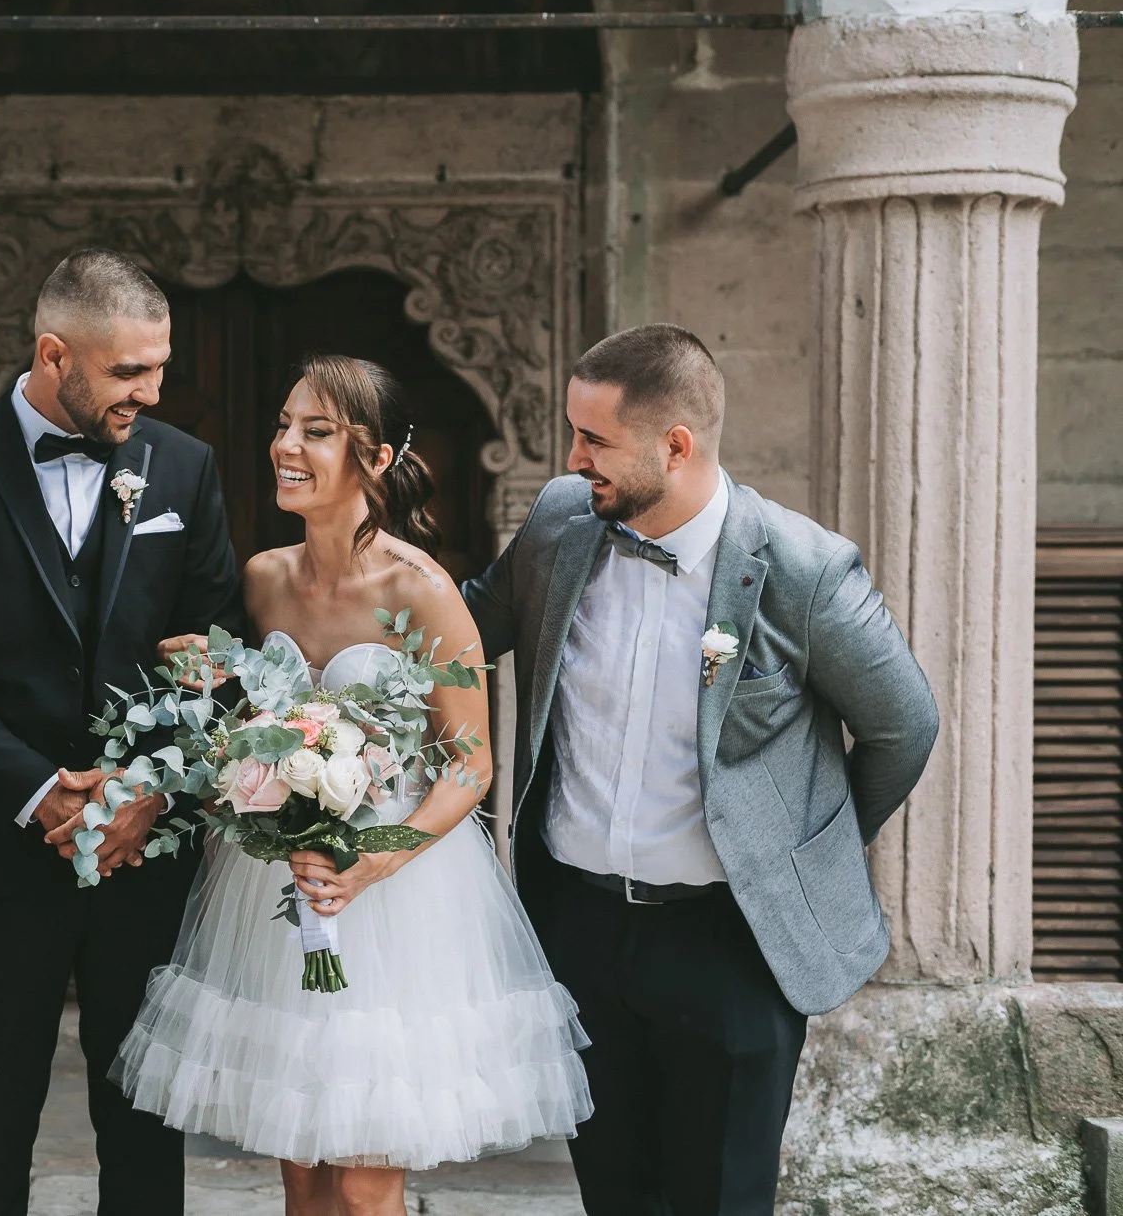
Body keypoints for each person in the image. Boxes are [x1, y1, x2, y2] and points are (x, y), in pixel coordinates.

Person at [461, 324, 940, 1215]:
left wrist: (796, 854)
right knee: (614, 1193)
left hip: (731, 944)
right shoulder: (560, 523)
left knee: (719, 1200)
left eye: (594, 439)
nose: (572, 458)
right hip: (582, 930)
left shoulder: (805, 569)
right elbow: (462, 631)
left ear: (674, 446)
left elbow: (903, 728)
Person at [112, 355, 593, 1216]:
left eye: (316, 431)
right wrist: (220, 716)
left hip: (394, 897)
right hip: (277, 887)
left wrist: (375, 857)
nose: (285, 445)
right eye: (284, 424)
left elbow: (471, 763)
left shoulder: (424, 590)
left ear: (373, 458)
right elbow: (235, 724)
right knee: (302, 1163)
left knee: (368, 1180)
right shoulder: (261, 579)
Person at [0, 248, 246, 1216]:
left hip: (146, 850)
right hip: (0, 849)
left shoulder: (186, 466)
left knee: (143, 1117)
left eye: (158, 368)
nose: (151, 391)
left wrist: (146, 790)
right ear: (53, 354)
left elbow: (219, 649)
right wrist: (41, 792)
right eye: (129, 372)